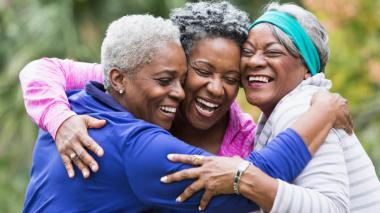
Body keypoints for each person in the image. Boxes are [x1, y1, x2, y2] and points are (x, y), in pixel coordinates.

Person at [22, 13, 350, 213]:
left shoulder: (79, 100)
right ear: (119, 78)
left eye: (231, 78)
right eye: (172, 78)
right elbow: (255, 183)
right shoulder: (135, 144)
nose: (178, 91)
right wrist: (323, 112)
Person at [162, 2, 380, 212]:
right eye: (247, 52)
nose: (254, 61)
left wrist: (241, 176)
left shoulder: (304, 108)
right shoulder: (294, 111)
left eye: (273, 52)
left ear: (307, 68)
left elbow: (332, 208)